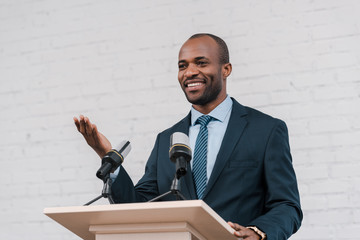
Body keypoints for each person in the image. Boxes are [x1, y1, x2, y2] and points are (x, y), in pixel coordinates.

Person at [74, 33, 302, 240]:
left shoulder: (266, 130)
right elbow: (140, 205)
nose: (190, 72)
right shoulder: (167, 139)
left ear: (226, 69)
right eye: (182, 66)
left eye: (201, 63)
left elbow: (286, 205)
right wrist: (105, 155)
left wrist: (257, 232)